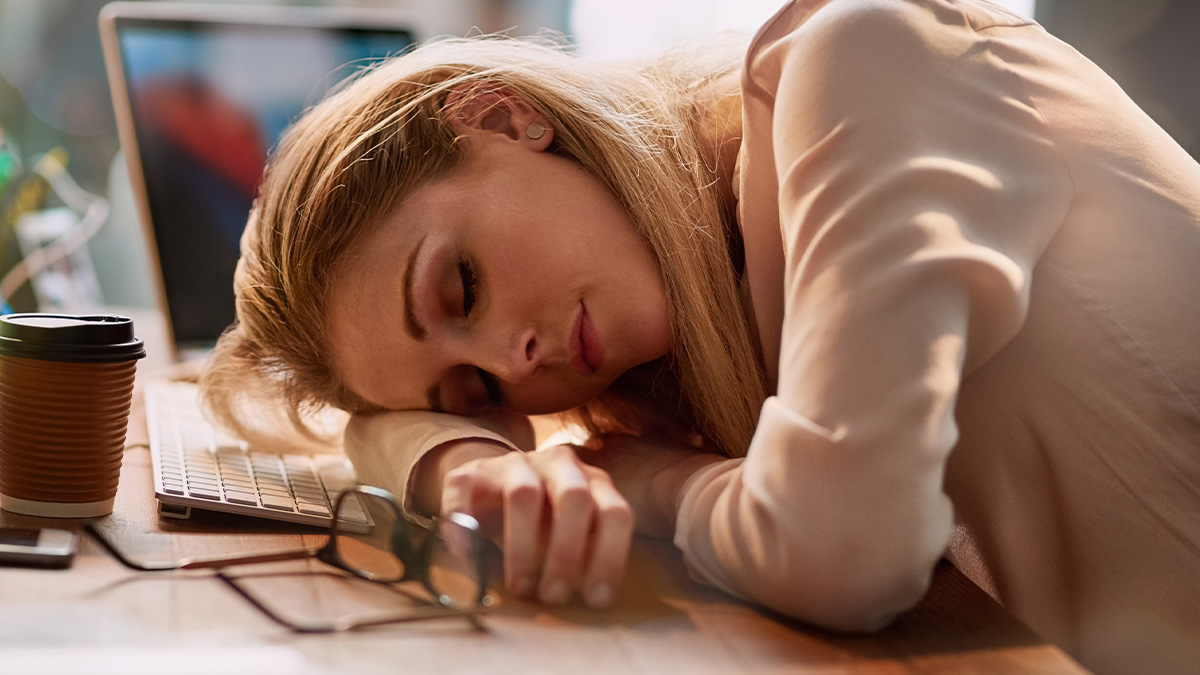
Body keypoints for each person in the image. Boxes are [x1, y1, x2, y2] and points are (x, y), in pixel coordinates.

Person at [199, 1, 1200, 673]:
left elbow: (847, 554)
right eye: (474, 388)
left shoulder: (864, 52)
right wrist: (463, 454)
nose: (513, 364)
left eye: (460, 286)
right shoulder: (685, 342)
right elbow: (364, 434)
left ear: (503, 116)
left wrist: (652, 483)